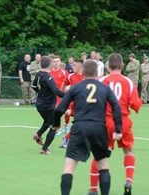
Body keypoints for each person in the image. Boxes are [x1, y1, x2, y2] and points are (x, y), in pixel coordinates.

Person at [52, 59, 122, 195]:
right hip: (99, 128)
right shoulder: (104, 88)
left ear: (83, 72)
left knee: (69, 167)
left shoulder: (76, 88)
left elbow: (59, 109)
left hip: (79, 127)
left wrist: (56, 124)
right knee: (103, 166)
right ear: (97, 72)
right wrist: (118, 129)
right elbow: (116, 107)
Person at [89, 53, 142, 195]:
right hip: (123, 122)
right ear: (122, 65)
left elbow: (94, 102)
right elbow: (136, 106)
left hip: (105, 122)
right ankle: (129, 180)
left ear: (107, 66)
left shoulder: (101, 81)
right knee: (128, 151)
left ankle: (93, 190)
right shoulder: (128, 82)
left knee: (99, 156)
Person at [31, 56, 65, 154]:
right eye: (52, 62)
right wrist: (70, 95)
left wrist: (40, 93)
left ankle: (38, 134)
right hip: (47, 106)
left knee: (47, 121)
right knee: (54, 126)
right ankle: (44, 149)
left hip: (40, 104)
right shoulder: (48, 77)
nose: (54, 64)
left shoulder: (39, 74)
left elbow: (33, 86)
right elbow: (56, 91)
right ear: (50, 64)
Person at [58, 59, 84, 147]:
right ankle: (67, 138)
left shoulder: (87, 76)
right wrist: (62, 96)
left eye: (74, 65)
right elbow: (64, 84)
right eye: (73, 65)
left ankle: (67, 137)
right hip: (75, 104)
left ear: (81, 67)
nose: (72, 67)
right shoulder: (71, 76)